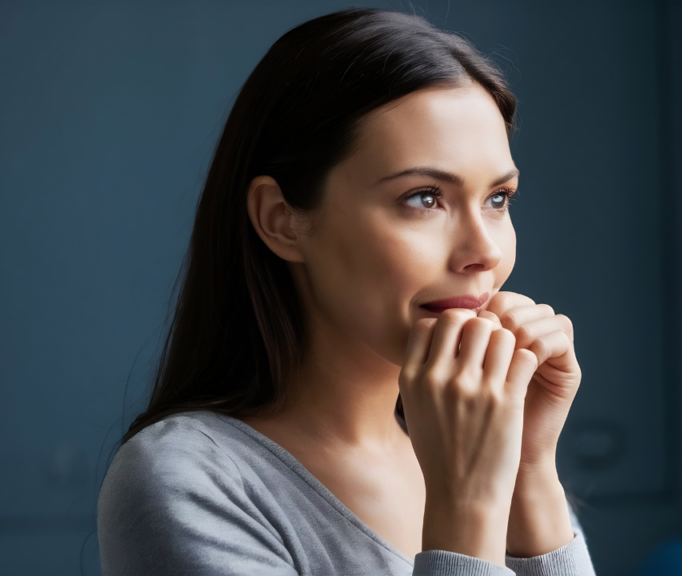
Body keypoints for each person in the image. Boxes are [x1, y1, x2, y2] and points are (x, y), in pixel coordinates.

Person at [96, 8, 596, 576]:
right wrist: (467, 506)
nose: (484, 251)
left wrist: (528, 465)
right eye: (424, 197)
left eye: (498, 199)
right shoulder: (188, 480)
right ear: (282, 219)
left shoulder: (487, 446)